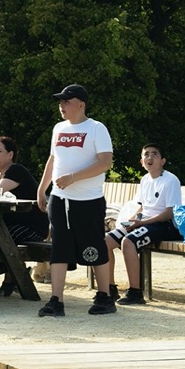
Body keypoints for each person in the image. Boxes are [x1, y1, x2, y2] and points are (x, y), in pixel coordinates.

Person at [35, 84, 116, 317]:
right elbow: (53, 160)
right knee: (59, 247)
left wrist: (73, 178)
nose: (62, 105)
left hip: (89, 200)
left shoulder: (96, 128)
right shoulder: (58, 128)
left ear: (81, 104)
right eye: (60, 102)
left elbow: (105, 162)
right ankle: (56, 301)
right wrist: (42, 188)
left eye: (66, 101)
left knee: (94, 246)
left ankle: (105, 296)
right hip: (60, 199)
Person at [0, 135, 50, 298]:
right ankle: (10, 276)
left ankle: (10, 280)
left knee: (1, 238)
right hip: (10, 225)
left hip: (32, 226)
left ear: (10, 154)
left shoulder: (16, 171)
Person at [103, 143, 182, 305]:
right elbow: (142, 207)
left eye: (154, 154)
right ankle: (109, 289)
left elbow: (170, 213)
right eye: (146, 154)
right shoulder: (145, 179)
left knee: (128, 242)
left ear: (162, 161)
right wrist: (132, 220)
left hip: (164, 225)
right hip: (144, 222)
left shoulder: (170, 180)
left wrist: (142, 222)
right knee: (105, 242)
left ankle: (135, 292)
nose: (150, 157)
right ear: (141, 161)